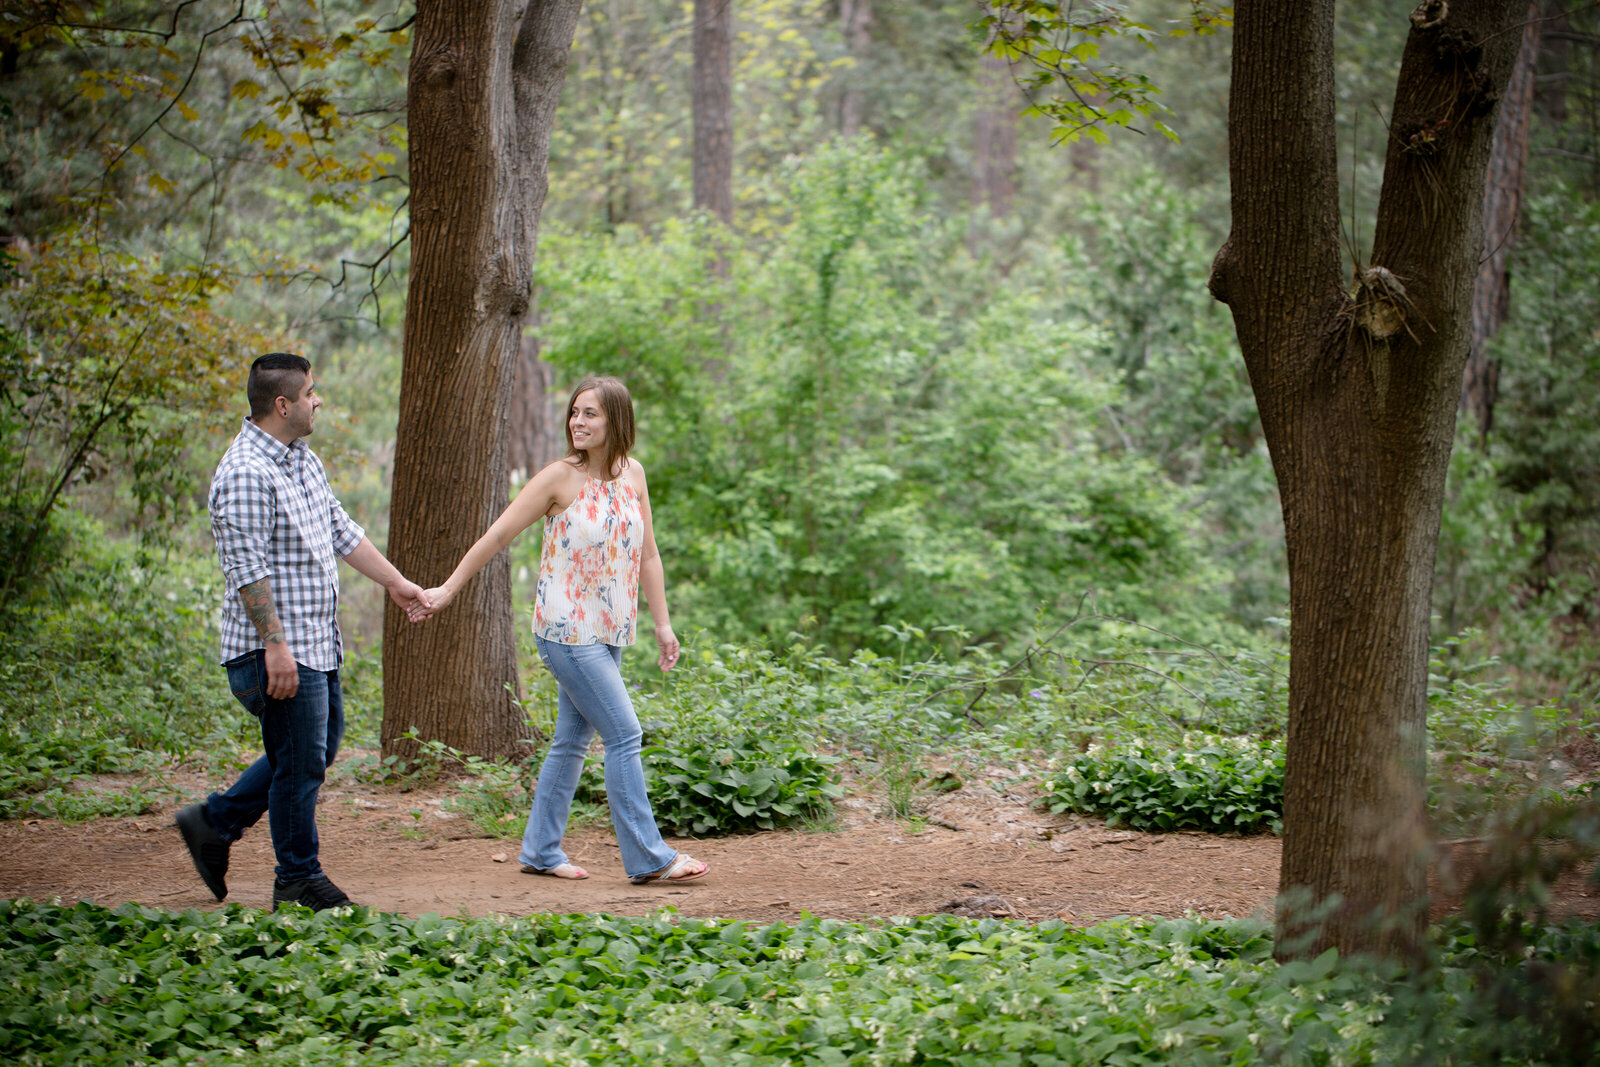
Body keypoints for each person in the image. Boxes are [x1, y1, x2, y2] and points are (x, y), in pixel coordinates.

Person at [410, 374, 707, 885]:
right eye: (574, 412)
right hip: (566, 631)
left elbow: (649, 554)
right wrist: (449, 588)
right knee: (625, 734)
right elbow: (498, 533)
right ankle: (649, 858)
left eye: (590, 413)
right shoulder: (558, 478)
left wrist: (663, 624)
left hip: (610, 630)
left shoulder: (633, 474)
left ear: (617, 419)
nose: (578, 421)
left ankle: (541, 850)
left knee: (571, 741)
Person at [175, 352, 428, 911]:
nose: (319, 401)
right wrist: (276, 647)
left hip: (314, 643)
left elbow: (341, 529)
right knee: (299, 762)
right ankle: (297, 878)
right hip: (273, 650)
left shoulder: (299, 458)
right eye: (312, 392)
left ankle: (214, 823)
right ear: (283, 404)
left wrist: (397, 584)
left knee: (316, 748)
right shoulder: (245, 471)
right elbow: (248, 569)